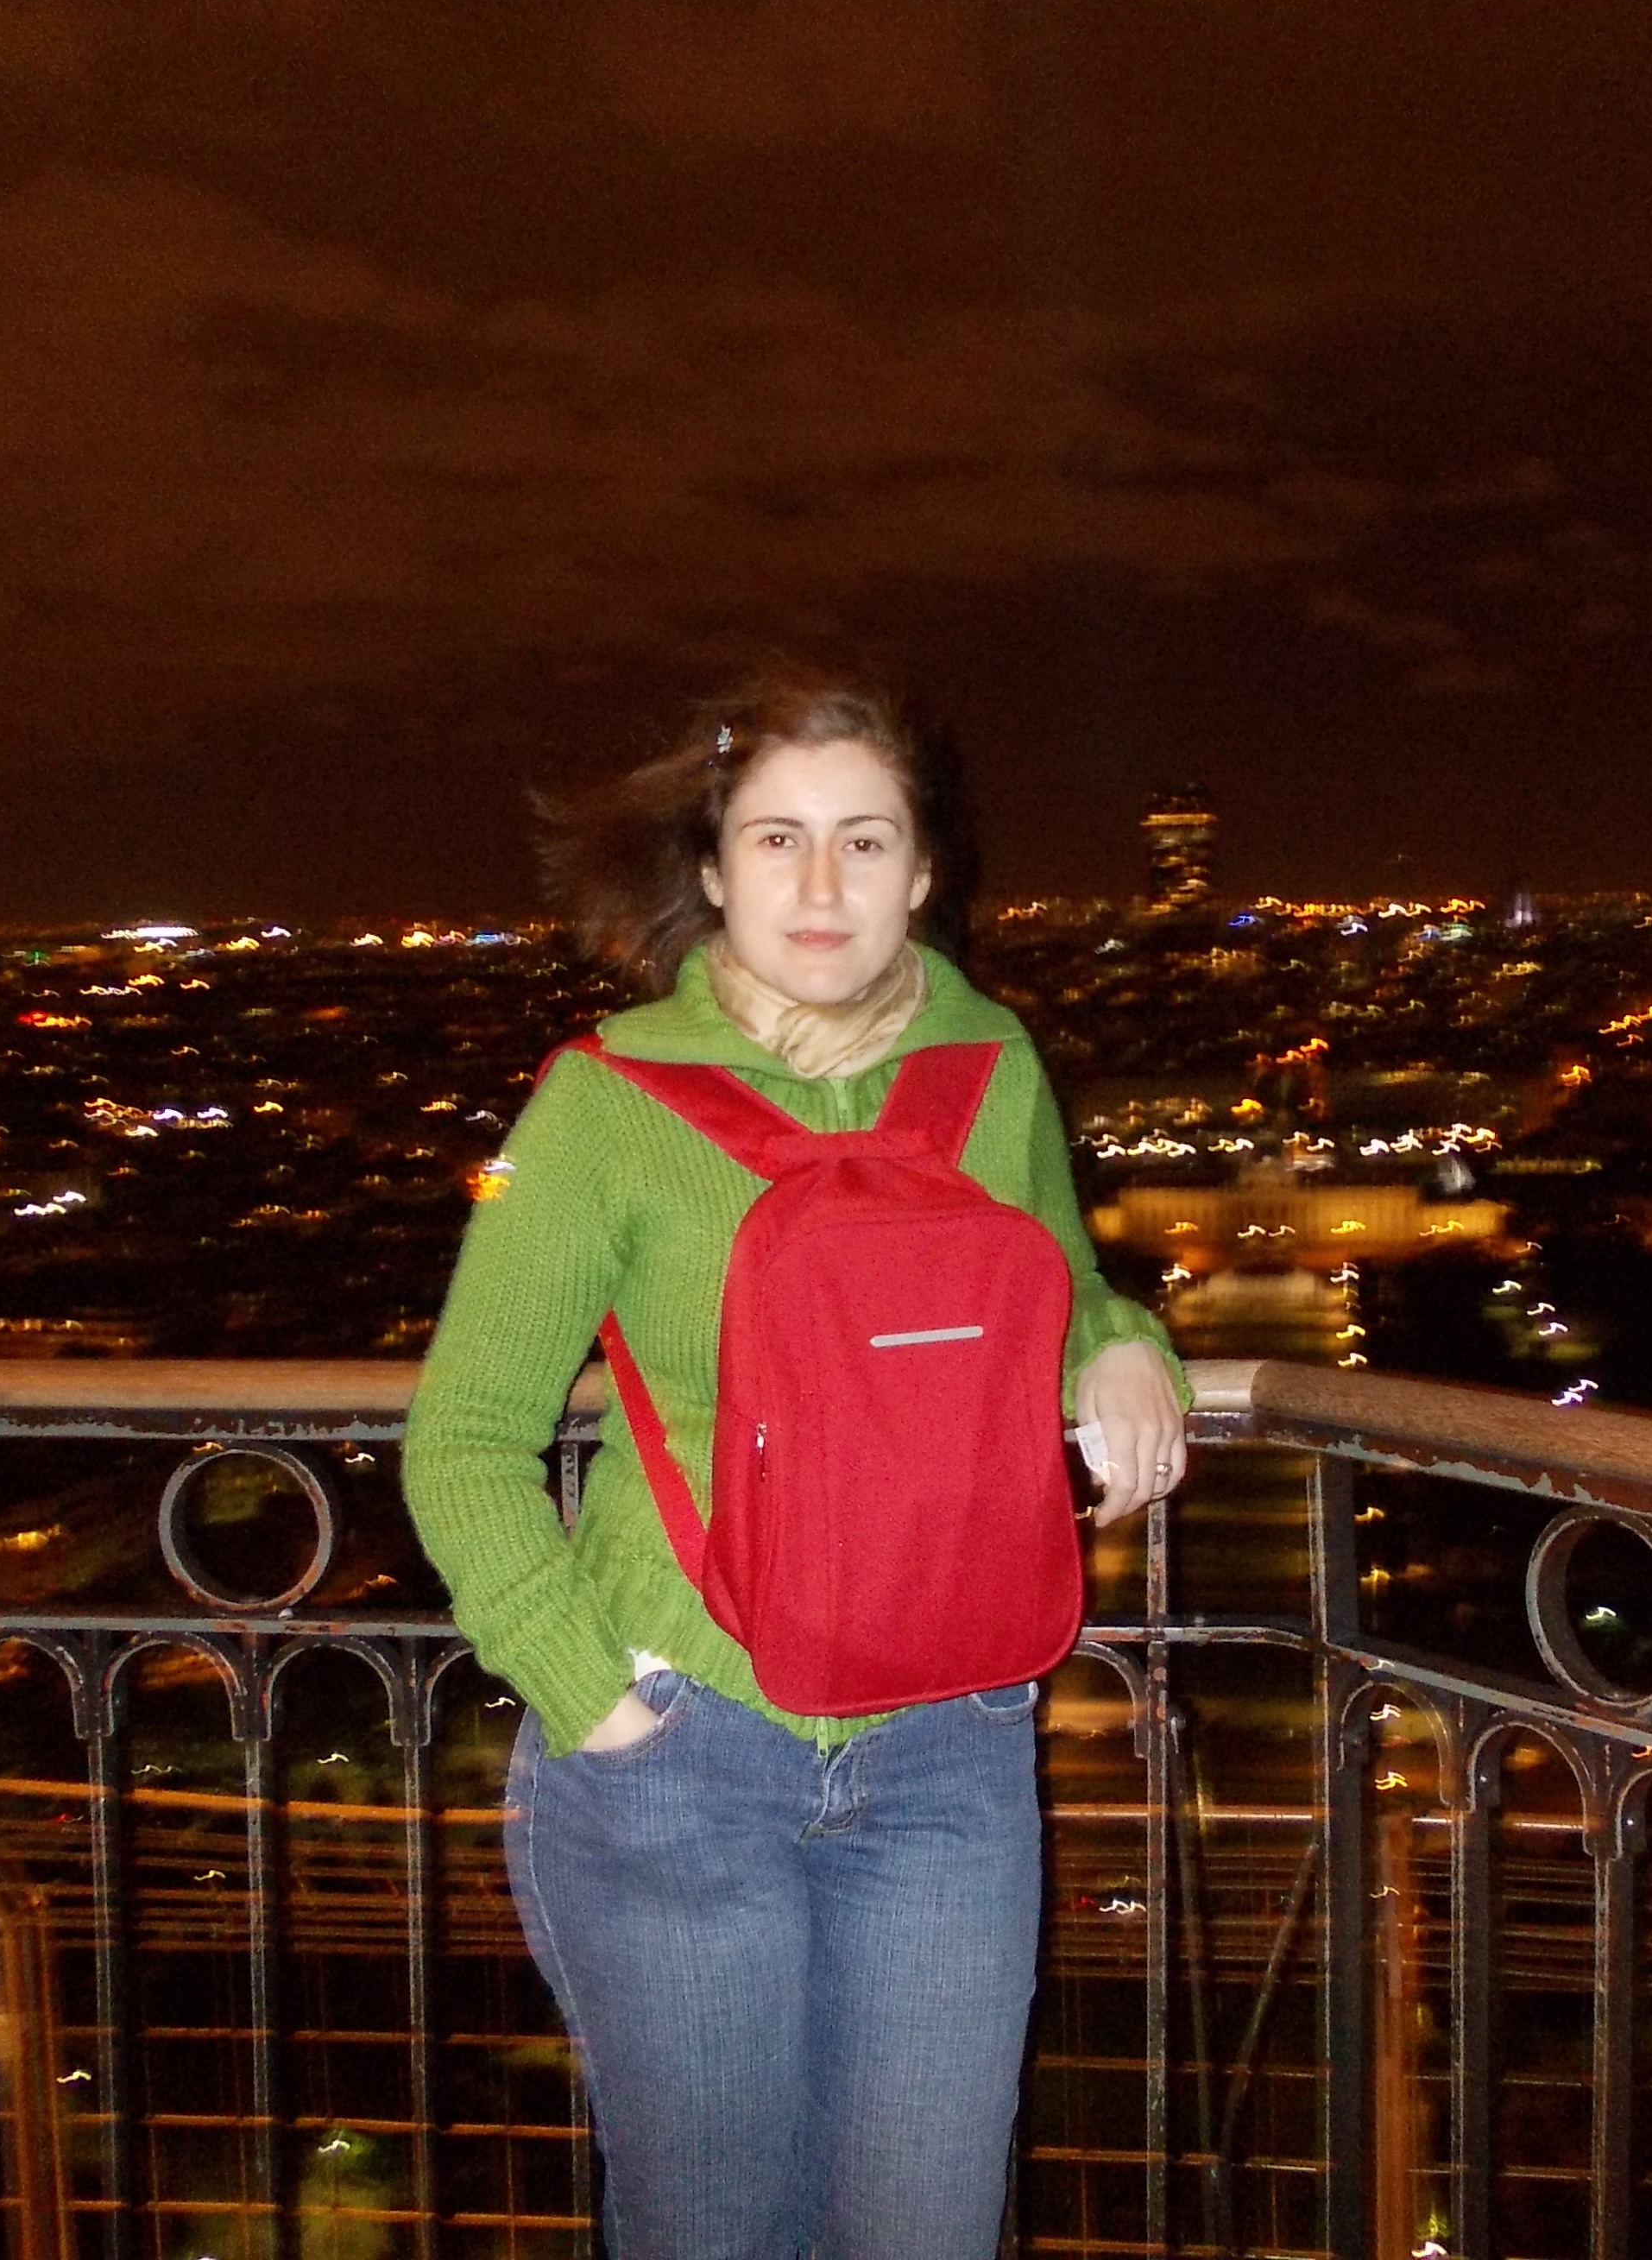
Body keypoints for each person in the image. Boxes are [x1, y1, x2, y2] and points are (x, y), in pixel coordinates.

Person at [400, 669, 1189, 2259]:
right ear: (713, 871)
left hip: (950, 1740)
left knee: (927, 2224)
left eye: (863, 840)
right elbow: (465, 1436)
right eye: (777, 838)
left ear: (922, 873)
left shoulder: (990, 1065)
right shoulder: (609, 1103)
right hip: (684, 1734)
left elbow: (1055, 1287)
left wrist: (1125, 1344)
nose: (821, 884)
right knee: (713, 2228)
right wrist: (596, 1703)